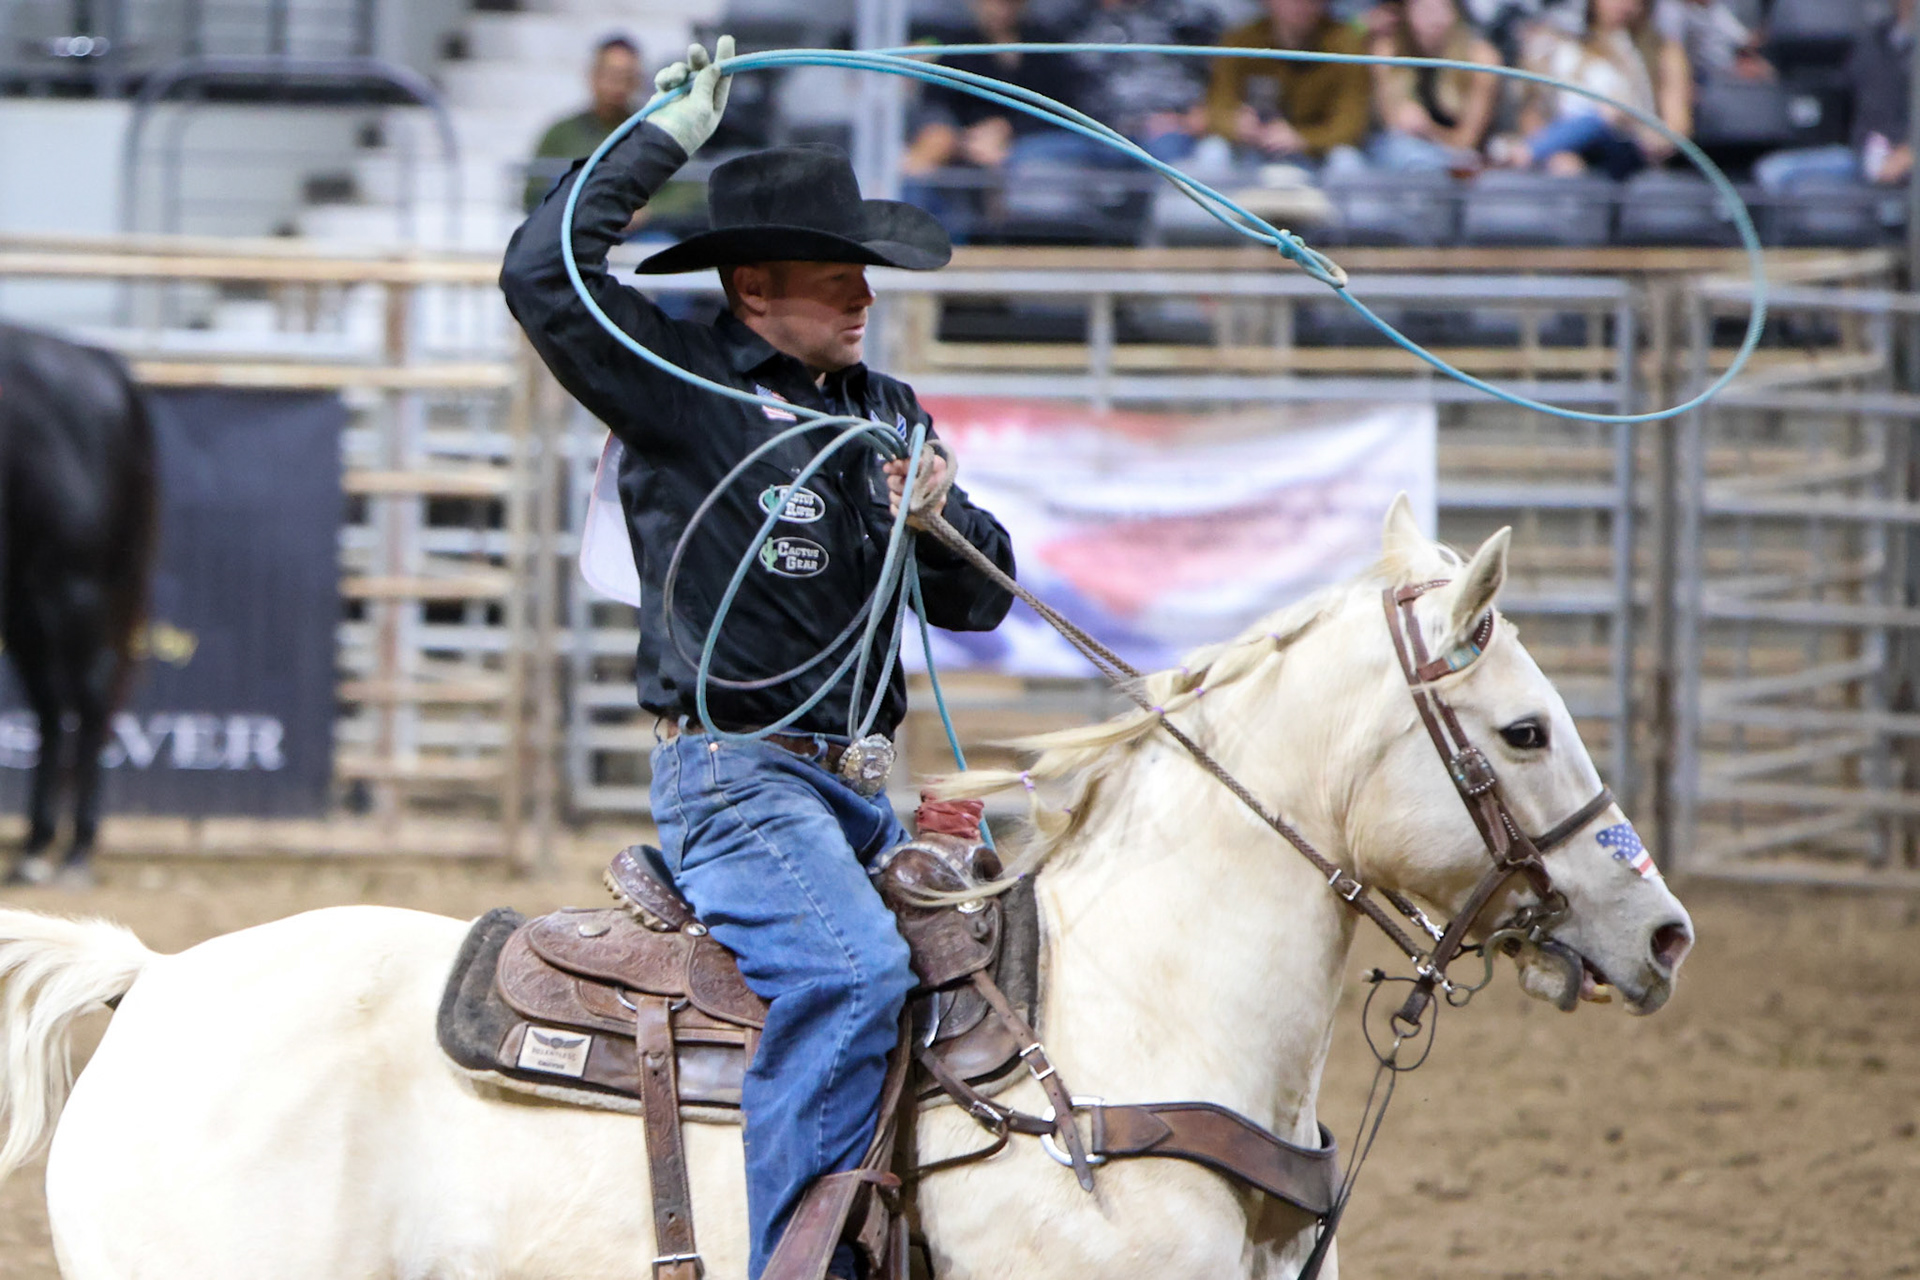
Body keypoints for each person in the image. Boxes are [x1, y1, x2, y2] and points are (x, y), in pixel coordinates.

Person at [500, 39, 1017, 1280]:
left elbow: (982, 600)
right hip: (735, 777)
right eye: (838, 276)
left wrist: (945, 518)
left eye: (865, 275)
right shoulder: (682, 383)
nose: (864, 297)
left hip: (854, 783)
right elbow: (542, 272)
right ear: (751, 287)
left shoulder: (887, 411)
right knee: (852, 974)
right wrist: (654, 142)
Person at [900, 0, 1086, 238]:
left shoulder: (1045, 44)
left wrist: (1009, 131)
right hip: (966, 142)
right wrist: (966, 137)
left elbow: (1064, 109)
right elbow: (938, 103)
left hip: (1031, 144)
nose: (1000, 8)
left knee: (1035, 160)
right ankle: (916, 237)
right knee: (929, 150)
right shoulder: (957, 46)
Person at [1498, 0, 1691, 179]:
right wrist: (1557, 155)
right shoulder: (1564, 45)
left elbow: (1676, 129)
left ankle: (1525, 152)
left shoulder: (1659, 51)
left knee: (1605, 114)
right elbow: (1533, 110)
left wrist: (1649, 138)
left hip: (1630, 148)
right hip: (1570, 148)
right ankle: (1536, 151)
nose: (1624, 5)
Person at [1755, 0, 1913, 193]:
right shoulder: (1874, 39)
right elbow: (1840, 91)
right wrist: (1773, 69)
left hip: (1909, 157)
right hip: (1863, 155)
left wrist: (1911, 151)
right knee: (1774, 172)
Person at [1205, 0, 1373, 169]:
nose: (1300, 5)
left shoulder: (1346, 44)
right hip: (1253, 145)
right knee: (1213, 150)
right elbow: (1217, 107)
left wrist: (1302, 138)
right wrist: (1237, 124)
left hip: (1317, 153)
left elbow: (1352, 124)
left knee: (1346, 159)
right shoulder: (1241, 41)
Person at [1065, 0, 1221, 164]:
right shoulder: (1075, 18)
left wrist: (1189, 120)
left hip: (1166, 133)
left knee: (1177, 164)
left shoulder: (1189, 17)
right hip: (1092, 134)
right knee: (1041, 156)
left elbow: (1220, 77)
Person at [1367, 0, 1503, 170]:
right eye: (1424, 9)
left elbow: (1467, 142)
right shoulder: (1387, 54)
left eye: (1442, 8)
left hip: (1457, 161)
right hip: (1402, 157)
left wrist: (1428, 129)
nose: (1434, 19)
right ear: (1407, 13)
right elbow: (1393, 125)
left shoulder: (1481, 60)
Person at [523, 35, 645, 211]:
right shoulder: (560, 134)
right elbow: (533, 193)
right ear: (593, 75)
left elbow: (687, 193)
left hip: (642, 233)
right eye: (611, 75)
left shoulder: (652, 132)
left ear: (638, 81)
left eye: (626, 77)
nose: (618, 85)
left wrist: (645, 211)